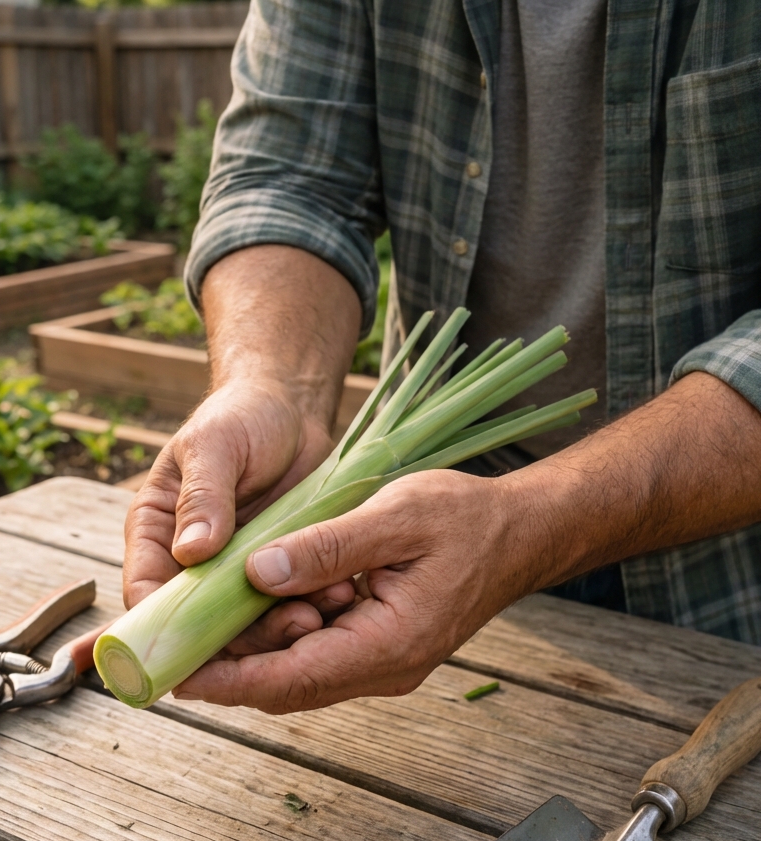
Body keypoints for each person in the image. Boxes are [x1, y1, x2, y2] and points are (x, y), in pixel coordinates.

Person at [123, 0, 761, 714]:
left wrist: (528, 523)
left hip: (727, 593)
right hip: (409, 556)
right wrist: (271, 386)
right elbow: (288, 179)